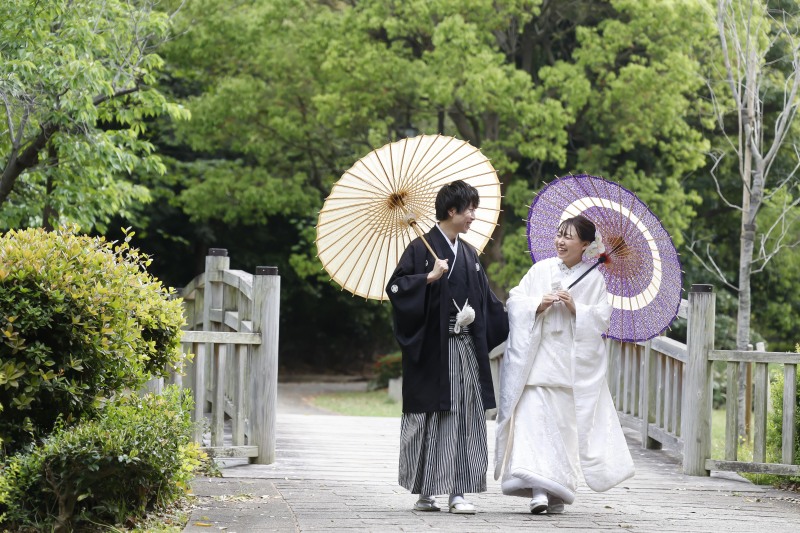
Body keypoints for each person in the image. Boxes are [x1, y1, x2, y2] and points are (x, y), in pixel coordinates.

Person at [494, 215, 634, 514]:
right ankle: (539, 491)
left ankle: (556, 492)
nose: (560, 241)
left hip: (568, 368)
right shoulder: (540, 269)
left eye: (568, 237)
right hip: (536, 365)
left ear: (585, 244)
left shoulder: (594, 279)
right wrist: (537, 304)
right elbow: (515, 301)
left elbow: (602, 318)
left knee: (562, 430)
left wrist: (576, 308)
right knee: (533, 425)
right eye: (559, 235)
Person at [386, 180, 509, 515]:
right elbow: (396, 289)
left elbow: (488, 303)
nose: (473, 216)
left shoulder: (468, 254)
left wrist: (525, 312)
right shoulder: (419, 250)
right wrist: (427, 278)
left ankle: (458, 492)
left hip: (465, 349)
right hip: (432, 351)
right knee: (432, 417)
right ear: (451, 210)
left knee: (465, 416)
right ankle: (426, 492)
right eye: (469, 209)